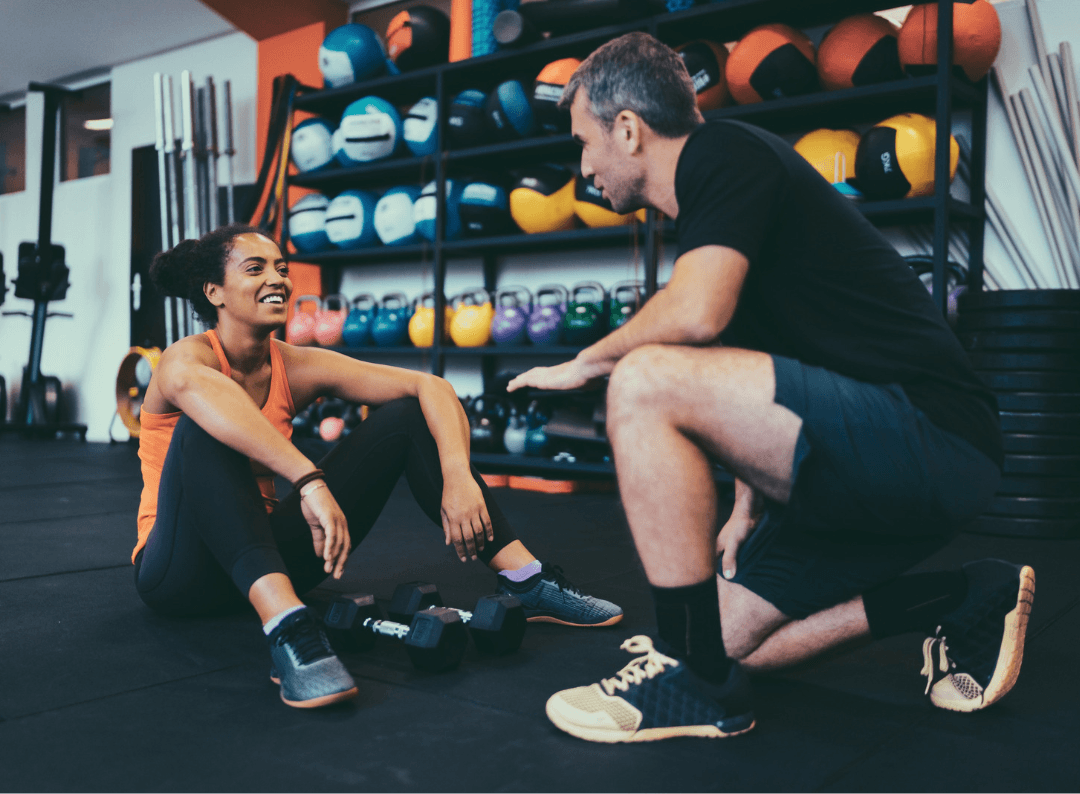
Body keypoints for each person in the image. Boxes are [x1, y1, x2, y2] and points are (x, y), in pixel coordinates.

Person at [508, 33, 1033, 743]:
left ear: (627, 129)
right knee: (726, 640)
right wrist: (749, 499)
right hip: (862, 457)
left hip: (933, 436)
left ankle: (690, 685)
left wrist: (588, 362)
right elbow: (756, 369)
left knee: (642, 378)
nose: (583, 167)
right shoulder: (718, 218)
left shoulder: (725, 153)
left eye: (584, 142)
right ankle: (959, 596)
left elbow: (694, 319)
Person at [134, 225, 622, 709]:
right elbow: (201, 392)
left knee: (407, 416)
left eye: (282, 268)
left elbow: (430, 387)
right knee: (202, 426)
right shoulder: (185, 358)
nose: (277, 279)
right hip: (179, 571)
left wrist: (457, 474)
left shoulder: (295, 364)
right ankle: (290, 629)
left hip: (271, 558)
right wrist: (308, 480)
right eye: (255, 268)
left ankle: (527, 580)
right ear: (213, 291)